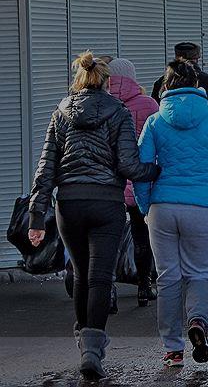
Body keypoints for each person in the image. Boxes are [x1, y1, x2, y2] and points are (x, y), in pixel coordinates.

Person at [28, 52, 161, 381]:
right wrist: (156, 171)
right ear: (106, 82)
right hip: (106, 204)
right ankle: (92, 351)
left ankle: (83, 344)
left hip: (69, 205)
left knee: (81, 275)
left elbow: (46, 168)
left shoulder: (60, 112)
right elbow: (129, 165)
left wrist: (36, 217)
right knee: (101, 278)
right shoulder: (118, 112)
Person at [135, 60, 208, 367]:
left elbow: (142, 171)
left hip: (163, 208)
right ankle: (198, 321)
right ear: (198, 85)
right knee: (200, 272)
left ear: (165, 86)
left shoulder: (155, 121)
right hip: (201, 207)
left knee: (168, 277)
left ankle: (172, 348)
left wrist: (146, 207)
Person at [107, 58, 159, 307]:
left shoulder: (103, 104)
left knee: (108, 240)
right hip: (139, 181)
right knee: (141, 237)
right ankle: (144, 286)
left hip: (110, 183)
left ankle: (109, 292)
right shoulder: (148, 104)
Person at [151, 42, 208, 123]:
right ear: (197, 58)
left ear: (176, 57)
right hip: (205, 130)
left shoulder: (162, 82)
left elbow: (154, 113)